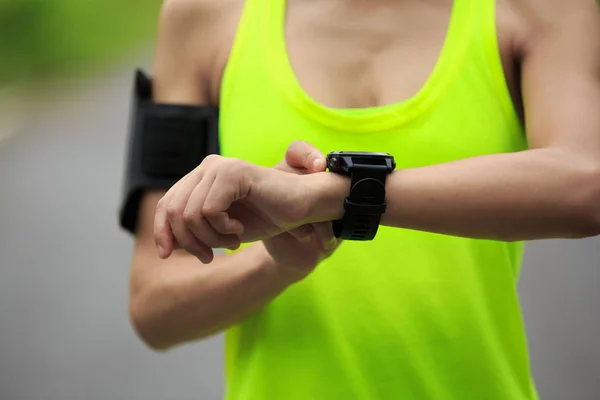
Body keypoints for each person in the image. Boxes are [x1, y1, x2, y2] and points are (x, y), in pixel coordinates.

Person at [127, 0, 600, 398]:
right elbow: (154, 309)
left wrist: (328, 196)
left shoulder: (542, 8)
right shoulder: (204, 14)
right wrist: (278, 265)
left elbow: (586, 183)